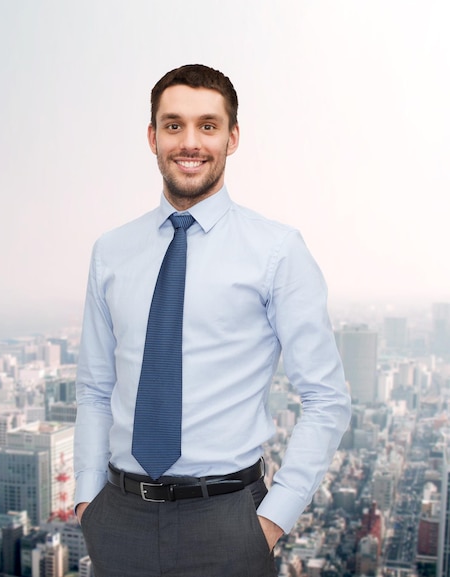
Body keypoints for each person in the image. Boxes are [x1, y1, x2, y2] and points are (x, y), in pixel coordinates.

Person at [74, 63, 351, 577]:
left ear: (233, 137)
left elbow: (326, 398)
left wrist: (269, 522)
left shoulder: (276, 251)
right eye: (174, 125)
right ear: (152, 137)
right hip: (118, 517)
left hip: (228, 521)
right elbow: (94, 387)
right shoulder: (111, 251)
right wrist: (88, 502)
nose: (190, 142)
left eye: (208, 125)